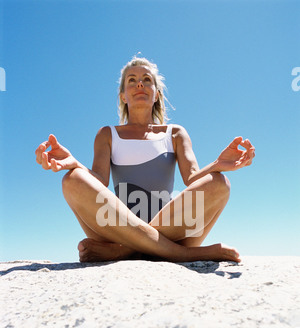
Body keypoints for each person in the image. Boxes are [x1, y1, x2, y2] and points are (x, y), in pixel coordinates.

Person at [35, 56, 255, 263]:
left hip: (174, 231)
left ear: (156, 93)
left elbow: (192, 179)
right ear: (123, 95)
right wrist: (74, 163)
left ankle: (124, 251)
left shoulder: (175, 133)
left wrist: (218, 164)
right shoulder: (107, 134)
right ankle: (184, 255)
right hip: (115, 230)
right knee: (72, 180)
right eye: (132, 80)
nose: (139, 84)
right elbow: (98, 181)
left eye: (146, 80)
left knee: (220, 184)